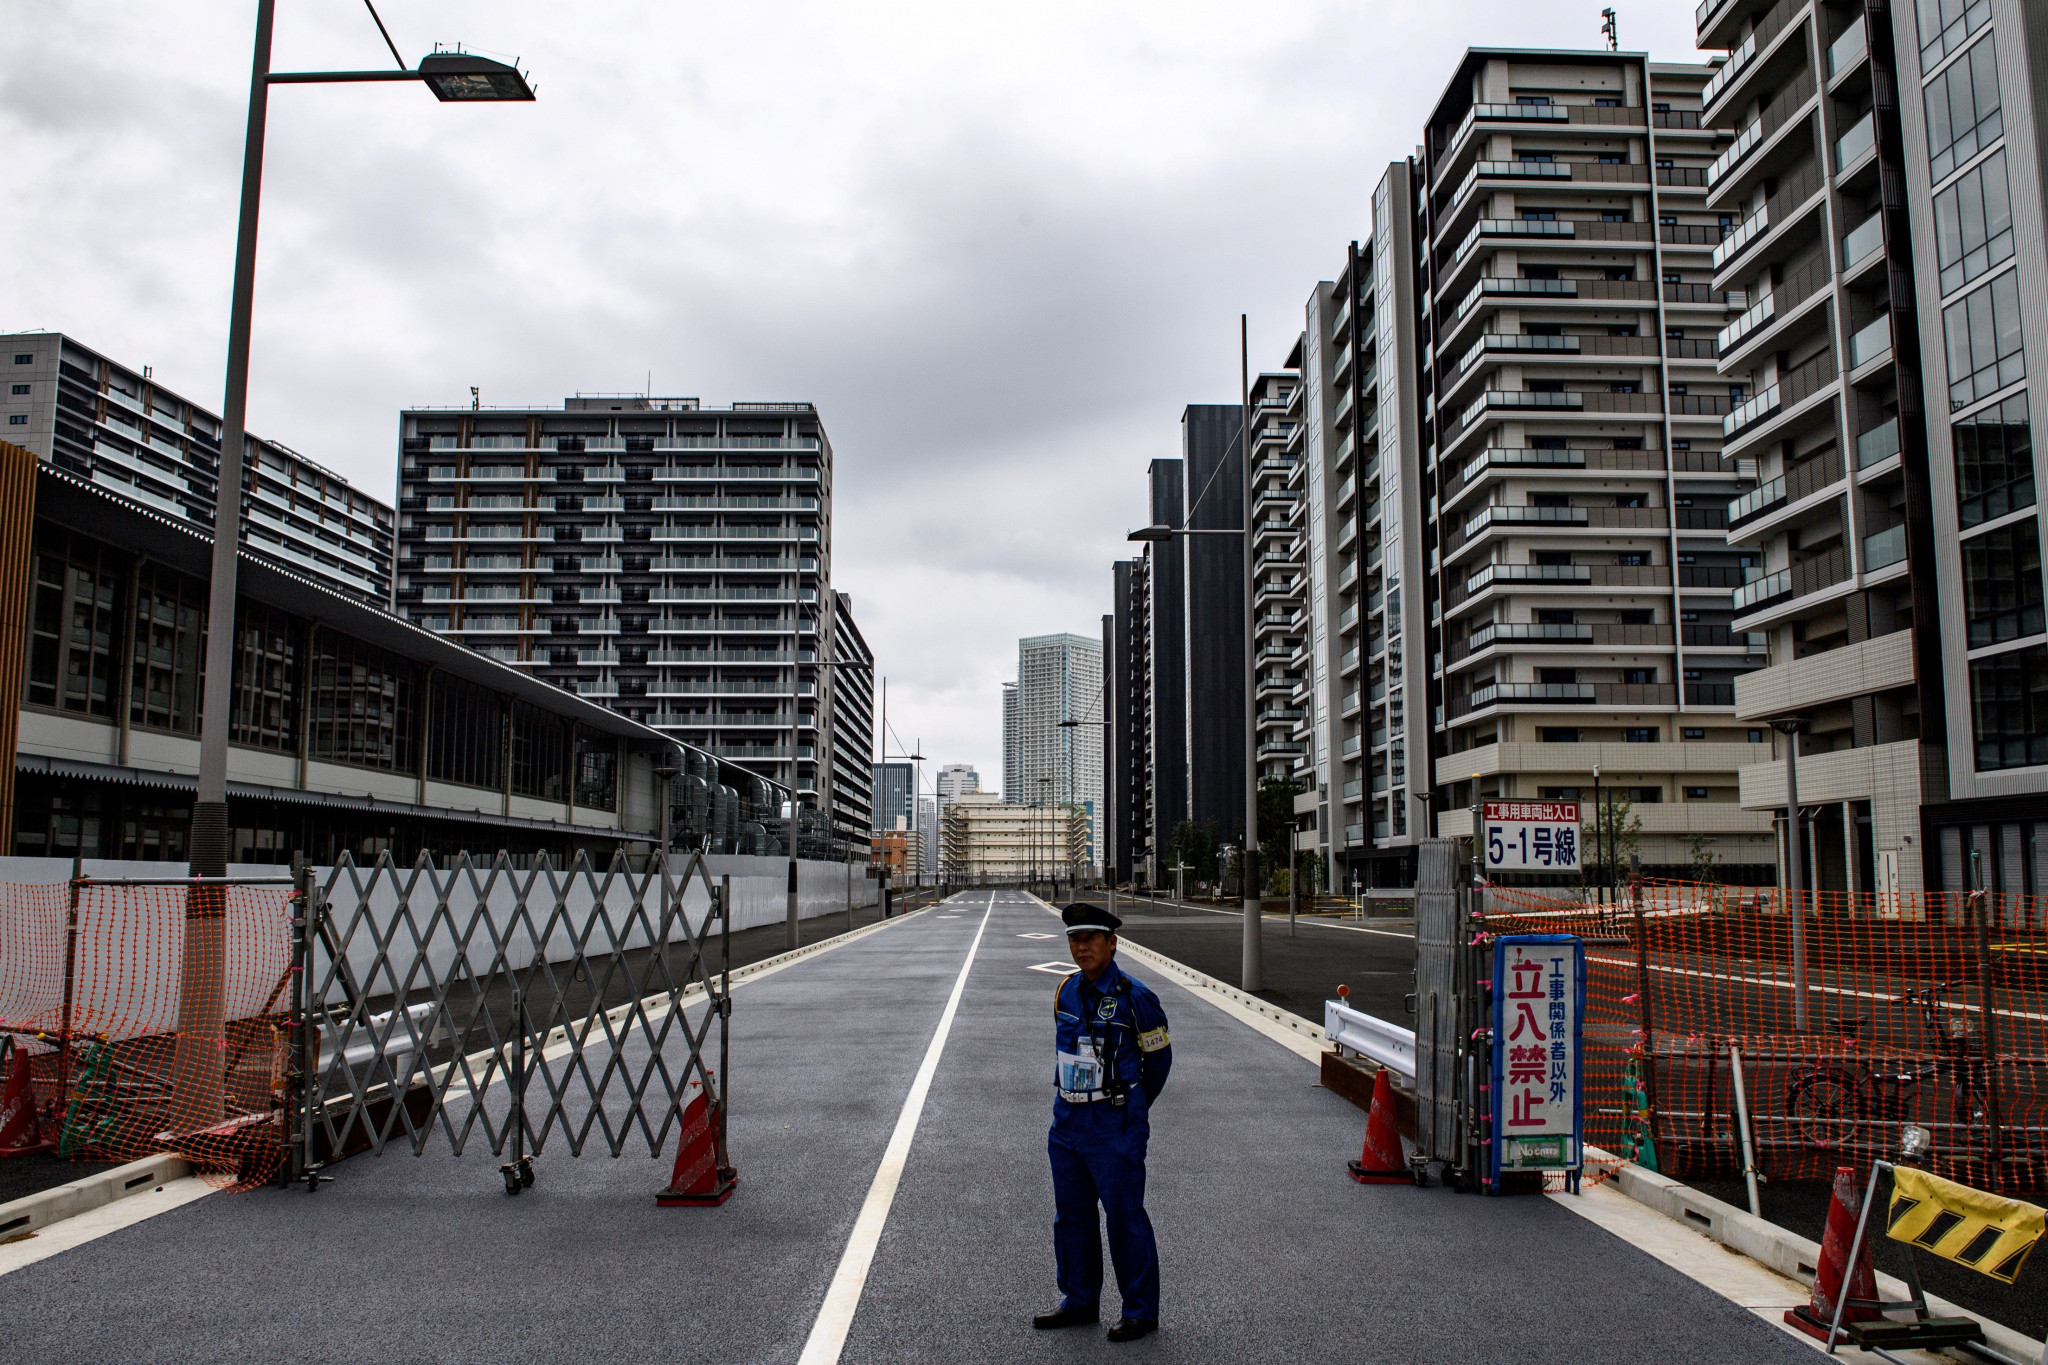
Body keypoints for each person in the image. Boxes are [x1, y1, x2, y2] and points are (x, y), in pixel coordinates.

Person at [1032, 902, 1172, 1343]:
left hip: (1114, 1124)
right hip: (1068, 1121)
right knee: (1070, 1217)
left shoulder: (1137, 998)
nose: (1081, 947)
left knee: (1124, 1217)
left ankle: (1140, 1310)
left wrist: (1131, 1108)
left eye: (1090, 939)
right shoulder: (1065, 992)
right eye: (1074, 939)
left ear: (1112, 943)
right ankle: (1079, 1300)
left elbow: (1159, 1060)